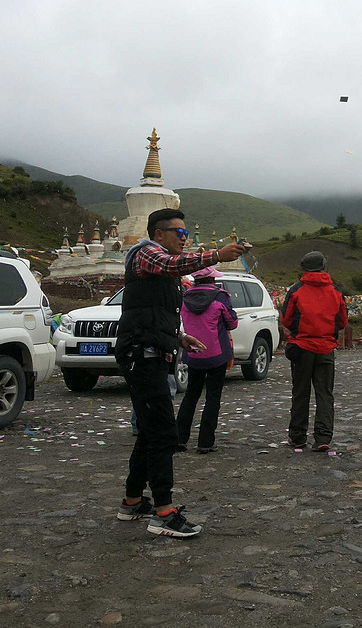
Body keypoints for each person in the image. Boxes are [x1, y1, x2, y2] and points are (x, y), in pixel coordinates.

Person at [114, 209, 249, 539]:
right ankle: (164, 511)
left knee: (150, 429)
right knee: (163, 432)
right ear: (159, 234)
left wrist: (177, 338)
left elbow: (151, 311)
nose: (184, 238)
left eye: (187, 233)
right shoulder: (146, 252)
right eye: (179, 233)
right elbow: (173, 265)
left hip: (154, 351)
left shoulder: (164, 269)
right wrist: (216, 255)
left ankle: (132, 501)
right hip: (140, 354)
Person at [279, 251, 348, 452]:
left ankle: (298, 437)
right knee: (324, 393)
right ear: (323, 266)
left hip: (301, 349)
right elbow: (343, 321)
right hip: (326, 349)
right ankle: (323, 437)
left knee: (300, 393)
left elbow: (287, 319)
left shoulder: (296, 290)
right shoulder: (335, 291)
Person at [175, 267, 238, 454]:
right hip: (217, 354)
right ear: (212, 278)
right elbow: (232, 323)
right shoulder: (220, 297)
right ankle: (205, 442)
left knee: (191, 395)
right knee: (213, 397)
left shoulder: (185, 297)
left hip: (193, 353)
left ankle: (180, 437)